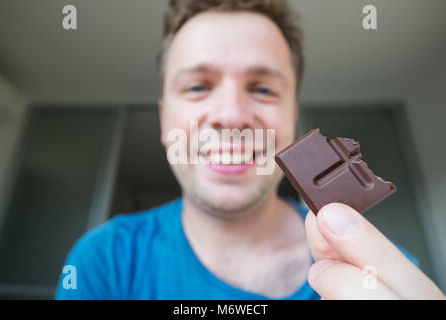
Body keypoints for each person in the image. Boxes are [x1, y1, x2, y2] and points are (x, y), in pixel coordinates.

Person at [55, 0, 444, 300]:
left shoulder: (378, 270)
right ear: (164, 120)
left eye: (262, 89)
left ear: (292, 116)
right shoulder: (102, 259)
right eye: (196, 87)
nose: (231, 116)